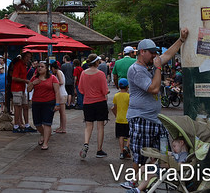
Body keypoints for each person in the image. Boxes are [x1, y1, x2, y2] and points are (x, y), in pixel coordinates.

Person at [120, 28, 188, 190]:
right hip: (141, 118)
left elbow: (168, 55)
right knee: (140, 154)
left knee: (161, 153)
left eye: (155, 53)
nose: (154, 56)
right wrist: (158, 68)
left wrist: (181, 40)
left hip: (155, 119)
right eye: (151, 53)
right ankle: (134, 183)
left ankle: (149, 183)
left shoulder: (150, 65)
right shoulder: (136, 69)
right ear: (142, 52)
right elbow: (154, 89)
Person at [78, 53, 109, 159]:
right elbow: (105, 90)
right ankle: (99, 150)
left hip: (87, 102)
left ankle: (86, 143)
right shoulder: (101, 74)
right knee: (100, 127)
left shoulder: (83, 73)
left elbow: (81, 89)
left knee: (88, 126)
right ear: (96, 62)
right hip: (100, 102)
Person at [27, 61, 60, 150]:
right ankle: (43, 134)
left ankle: (45, 142)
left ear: (46, 68)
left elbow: (57, 91)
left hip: (49, 103)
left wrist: (57, 104)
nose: (40, 68)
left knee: (47, 123)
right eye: (38, 67)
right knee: (37, 123)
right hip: (37, 102)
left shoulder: (53, 78)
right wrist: (33, 83)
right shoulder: (34, 78)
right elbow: (28, 89)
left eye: (42, 66)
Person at [11, 51, 35, 133]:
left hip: (22, 88)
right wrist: (25, 81)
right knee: (17, 107)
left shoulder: (24, 65)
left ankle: (26, 124)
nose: (28, 59)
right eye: (27, 57)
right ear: (23, 57)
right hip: (17, 88)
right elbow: (14, 78)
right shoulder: (19, 64)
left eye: (29, 57)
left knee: (25, 106)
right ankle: (16, 125)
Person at [112, 78, 131, 159]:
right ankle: (127, 147)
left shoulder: (116, 96)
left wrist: (116, 114)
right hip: (128, 119)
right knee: (130, 135)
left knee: (121, 136)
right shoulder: (129, 96)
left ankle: (121, 152)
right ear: (127, 87)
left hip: (119, 119)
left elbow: (113, 108)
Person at [50, 60, 68, 134]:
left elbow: (61, 82)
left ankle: (63, 128)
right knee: (61, 112)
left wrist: (53, 83)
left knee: (62, 112)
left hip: (61, 94)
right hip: (62, 93)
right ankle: (61, 127)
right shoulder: (59, 72)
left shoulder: (58, 72)